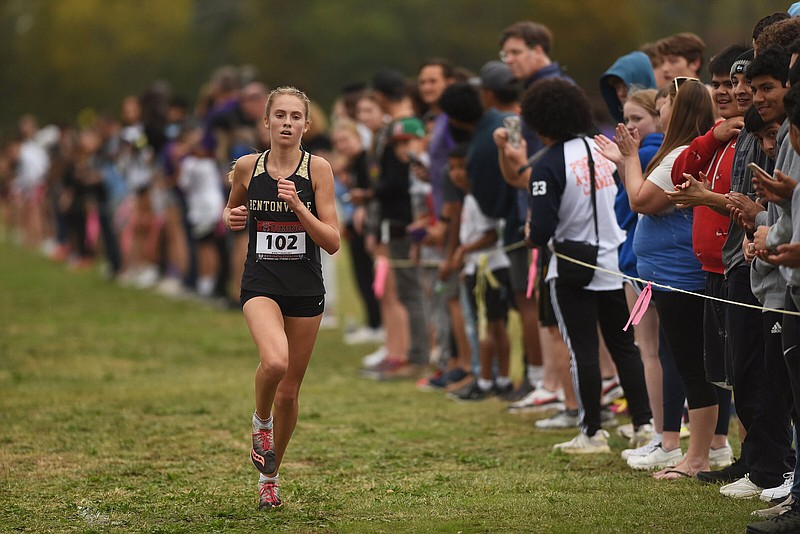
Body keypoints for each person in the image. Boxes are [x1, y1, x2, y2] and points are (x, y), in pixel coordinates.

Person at [596, 78, 720, 478]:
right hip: (668, 278)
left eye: (665, 102)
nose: (659, 106)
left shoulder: (682, 152)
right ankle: (700, 452)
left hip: (682, 278)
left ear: (678, 110)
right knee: (690, 365)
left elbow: (641, 201)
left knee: (693, 368)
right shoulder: (677, 151)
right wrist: (625, 160)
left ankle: (699, 455)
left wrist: (629, 158)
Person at [222, 86, 340, 510]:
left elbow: (332, 241)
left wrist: (299, 207)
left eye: (295, 117)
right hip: (261, 283)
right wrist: (231, 216)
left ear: (307, 125)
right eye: (280, 116)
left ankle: (269, 477)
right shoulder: (247, 167)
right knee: (275, 361)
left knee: (290, 392)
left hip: (306, 288)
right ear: (266, 122)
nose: (287, 123)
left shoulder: (318, 169)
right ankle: (260, 421)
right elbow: (232, 208)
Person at [524, 78, 652, 454]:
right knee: (624, 346)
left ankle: (592, 432)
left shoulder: (547, 165)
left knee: (582, 349)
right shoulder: (604, 150)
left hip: (571, 266)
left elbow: (541, 230)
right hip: (614, 262)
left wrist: (532, 229)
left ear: (540, 121)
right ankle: (644, 424)